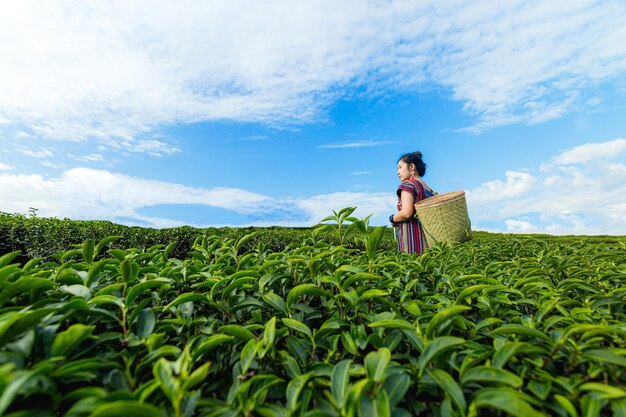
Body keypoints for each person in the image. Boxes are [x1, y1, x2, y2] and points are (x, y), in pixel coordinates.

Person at [389, 151, 436, 254]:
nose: (398, 172)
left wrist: (393, 218)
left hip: (412, 241)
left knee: (410, 267)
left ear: (411, 167)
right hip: (429, 240)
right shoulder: (429, 190)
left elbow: (406, 213)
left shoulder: (408, 185)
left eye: (400, 167)